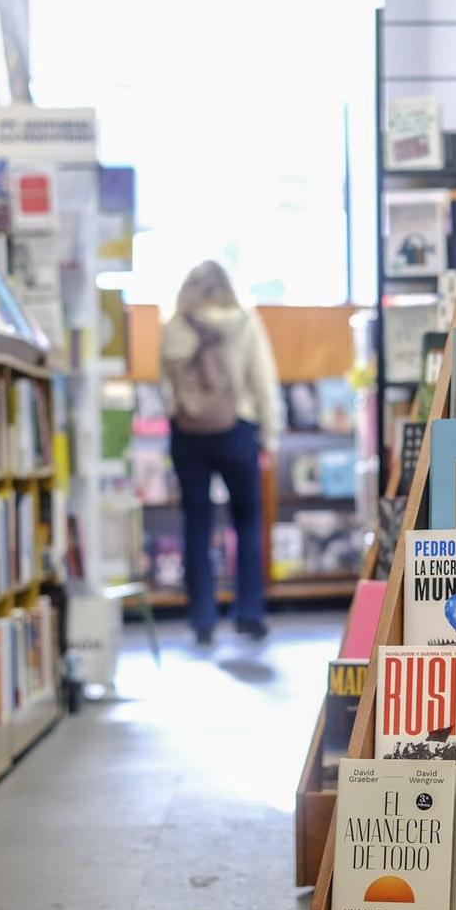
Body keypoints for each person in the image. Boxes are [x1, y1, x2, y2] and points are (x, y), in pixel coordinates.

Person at [160, 260, 281, 647]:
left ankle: (202, 618)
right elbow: (263, 380)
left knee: (196, 524)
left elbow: (165, 387)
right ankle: (249, 612)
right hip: (237, 430)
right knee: (246, 521)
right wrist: (271, 435)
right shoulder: (243, 322)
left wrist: (183, 413)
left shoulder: (173, 326)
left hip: (188, 433)